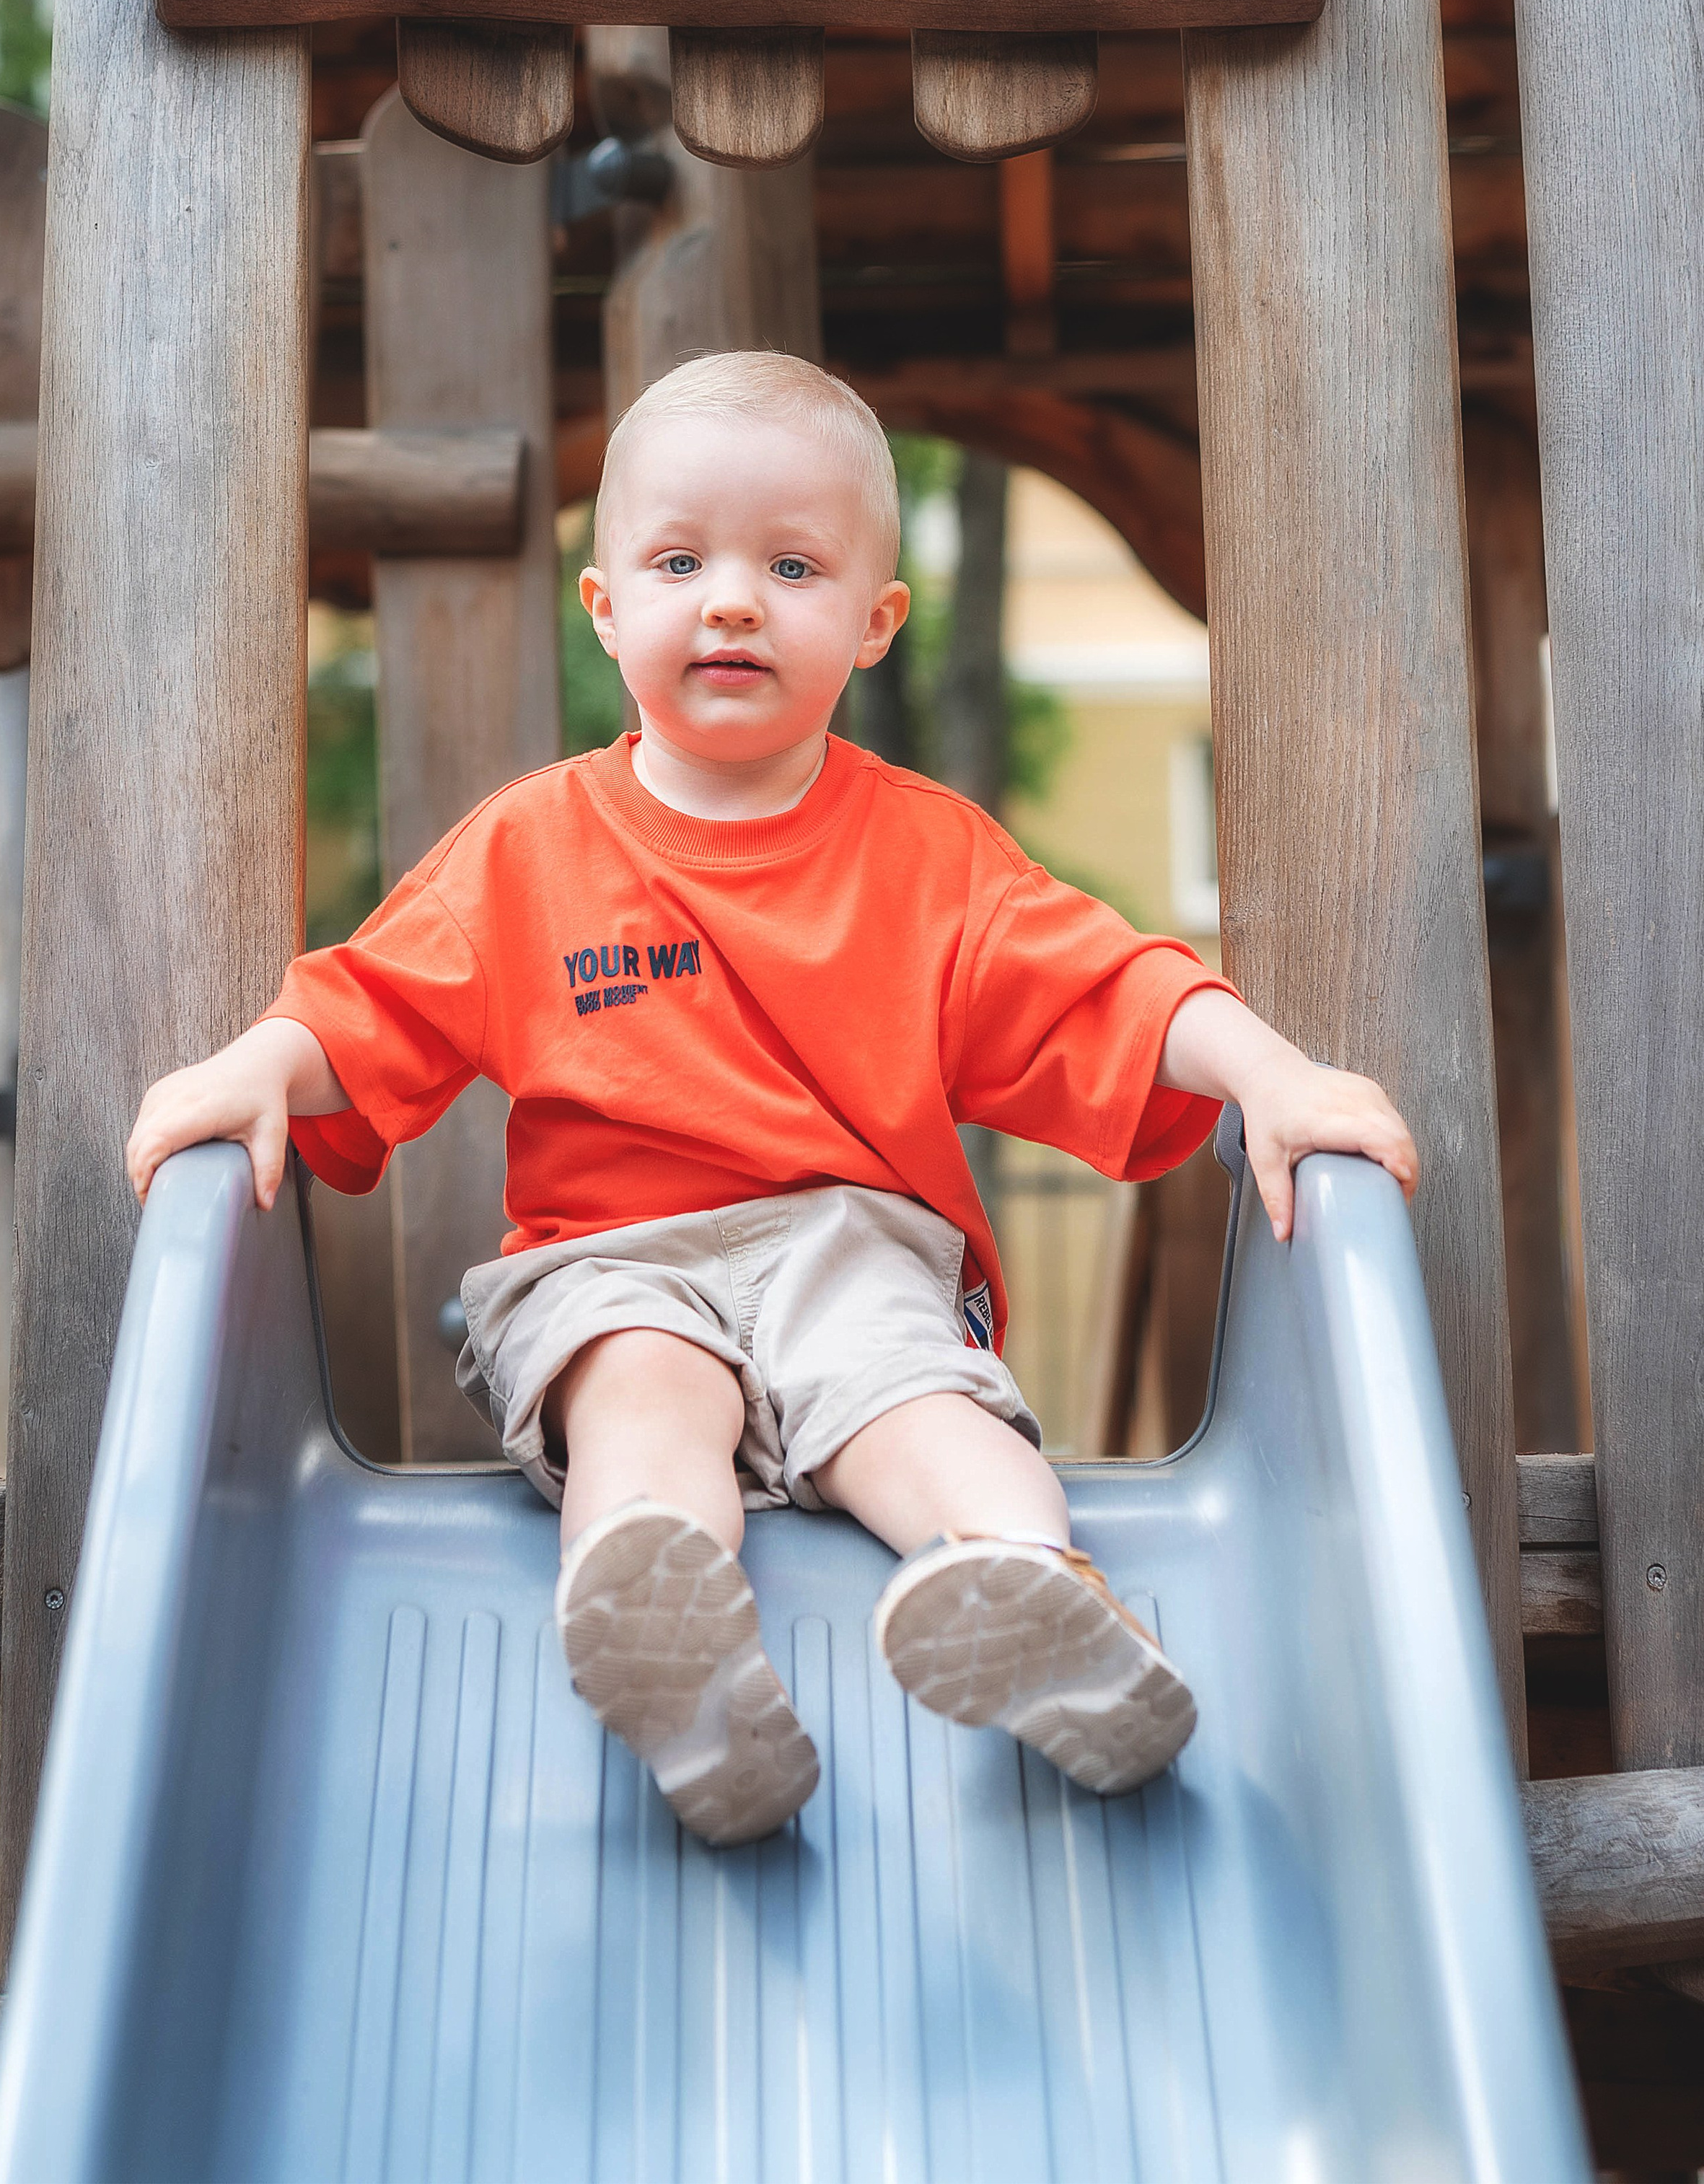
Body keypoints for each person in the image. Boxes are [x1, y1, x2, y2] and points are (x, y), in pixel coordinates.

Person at [126, 352, 1417, 1848]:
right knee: (641, 1393)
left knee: (914, 1400)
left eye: (791, 567)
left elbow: (1105, 987)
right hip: (610, 1261)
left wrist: (1265, 1071)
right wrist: (260, 1065)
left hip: (848, 1245)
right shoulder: (530, 848)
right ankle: (674, 1658)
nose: (732, 601)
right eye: (680, 562)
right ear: (605, 606)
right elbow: (374, 1002)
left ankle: (1038, 1604)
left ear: (875, 622)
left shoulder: (928, 857)